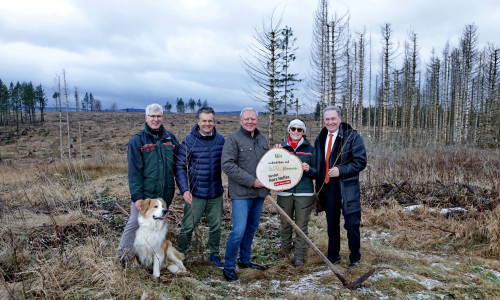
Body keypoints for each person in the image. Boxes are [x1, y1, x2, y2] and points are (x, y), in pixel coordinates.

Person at [117, 103, 180, 266]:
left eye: (159, 116)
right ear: (146, 117)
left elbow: (179, 166)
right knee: (135, 223)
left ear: (162, 118)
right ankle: (123, 257)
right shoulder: (137, 141)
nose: (156, 119)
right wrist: (137, 197)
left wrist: (184, 188)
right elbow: (134, 172)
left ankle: (151, 259)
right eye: (152, 116)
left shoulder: (170, 139)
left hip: (164, 195)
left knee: (158, 226)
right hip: (145, 195)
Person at [314, 106, 367, 268]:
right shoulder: (320, 138)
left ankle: (355, 258)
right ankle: (333, 256)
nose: (330, 122)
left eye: (333, 119)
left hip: (347, 187)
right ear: (324, 121)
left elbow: (360, 161)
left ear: (340, 119)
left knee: (351, 223)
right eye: (327, 119)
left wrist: (341, 170)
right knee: (332, 223)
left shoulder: (352, 137)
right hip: (328, 188)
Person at [221, 107, 269, 281]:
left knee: (251, 228)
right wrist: (252, 181)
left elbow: (268, 163)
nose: (250, 121)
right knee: (238, 230)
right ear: (240, 120)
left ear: (257, 120)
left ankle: (245, 260)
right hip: (242, 193)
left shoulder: (262, 138)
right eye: (247, 119)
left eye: (253, 119)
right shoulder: (233, 139)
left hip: (259, 194)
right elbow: (227, 165)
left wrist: (278, 152)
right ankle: (228, 266)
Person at [175, 107, 225, 267]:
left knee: (216, 226)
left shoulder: (221, 140)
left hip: (216, 193)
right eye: (204, 121)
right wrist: (184, 189)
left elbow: (230, 163)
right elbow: (180, 167)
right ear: (198, 122)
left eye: (210, 120)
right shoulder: (189, 141)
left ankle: (214, 255)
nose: (207, 124)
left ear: (214, 121)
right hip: (195, 194)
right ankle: (181, 255)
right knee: (187, 227)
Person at [276, 119, 317, 267]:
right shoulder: (280, 149)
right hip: (284, 192)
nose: (296, 132)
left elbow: (317, 172)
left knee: (301, 226)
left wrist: (309, 169)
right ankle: (285, 253)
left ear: (303, 132)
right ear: (289, 130)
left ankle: (299, 256)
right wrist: (274, 154)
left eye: (300, 129)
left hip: (304, 193)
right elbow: (271, 170)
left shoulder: (311, 150)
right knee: (285, 224)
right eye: (293, 128)